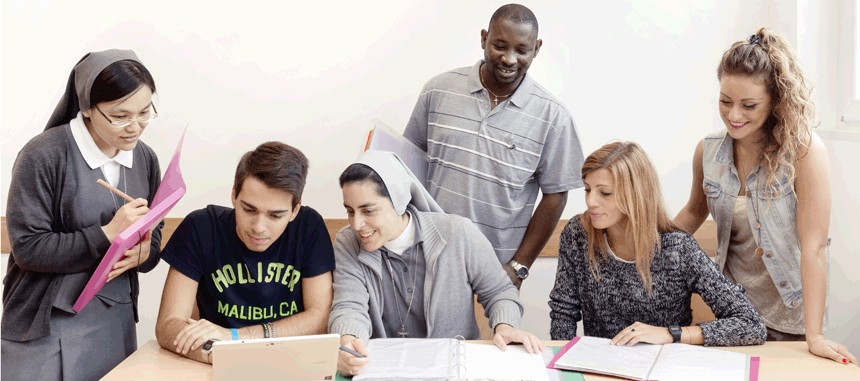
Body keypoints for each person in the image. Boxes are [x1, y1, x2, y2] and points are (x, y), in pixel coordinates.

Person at [674, 28, 857, 364]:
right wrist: (643, 242)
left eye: (749, 105)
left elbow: (814, 246)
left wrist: (814, 336)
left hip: (789, 312)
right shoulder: (708, 152)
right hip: (732, 313)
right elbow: (691, 214)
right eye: (725, 101)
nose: (734, 115)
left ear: (775, 100)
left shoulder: (803, 152)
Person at [2, 49, 163, 381]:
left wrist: (144, 254)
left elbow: (153, 234)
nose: (135, 127)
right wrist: (105, 234)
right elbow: (29, 249)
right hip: (47, 324)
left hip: (113, 318)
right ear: (87, 108)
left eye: (144, 112)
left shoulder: (145, 159)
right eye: (120, 116)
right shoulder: (42, 156)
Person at [403, 3, 584, 288]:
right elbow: (408, 160)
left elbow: (555, 195)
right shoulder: (438, 90)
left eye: (521, 50)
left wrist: (519, 266)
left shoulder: (554, 117)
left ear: (536, 48)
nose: (509, 59)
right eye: (499, 45)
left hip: (493, 275)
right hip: (424, 261)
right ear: (483, 38)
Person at [329, 151, 544, 376]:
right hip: (385, 372)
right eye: (350, 211)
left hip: (455, 371)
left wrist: (505, 327)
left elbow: (500, 292)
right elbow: (349, 306)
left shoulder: (458, 233)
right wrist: (348, 342)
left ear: (400, 201)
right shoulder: (348, 242)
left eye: (368, 210)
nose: (356, 223)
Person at [549, 142, 767, 347]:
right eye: (587, 189)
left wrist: (671, 334)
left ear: (636, 194)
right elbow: (563, 311)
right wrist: (562, 363)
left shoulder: (677, 248)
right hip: (601, 369)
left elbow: (750, 324)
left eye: (604, 193)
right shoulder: (578, 234)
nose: (590, 202)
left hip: (664, 367)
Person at [155, 141, 335, 364]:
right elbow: (168, 325)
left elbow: (320, 317)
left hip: (290, 361)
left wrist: (235, 339)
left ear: (294, 210)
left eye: (275, 215)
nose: (259, 227)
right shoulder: (201, 227)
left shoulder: (309, 227)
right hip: (216, 363)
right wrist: (225, 355)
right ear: (233, 195)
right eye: (249, 209)